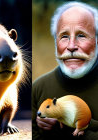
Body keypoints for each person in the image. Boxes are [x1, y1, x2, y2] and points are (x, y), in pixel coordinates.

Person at [32, 2, 98, 140]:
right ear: (55, 42)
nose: (71, 46)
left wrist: (66, 129)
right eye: (64, 36)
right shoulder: (38, 88)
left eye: (81, 35)